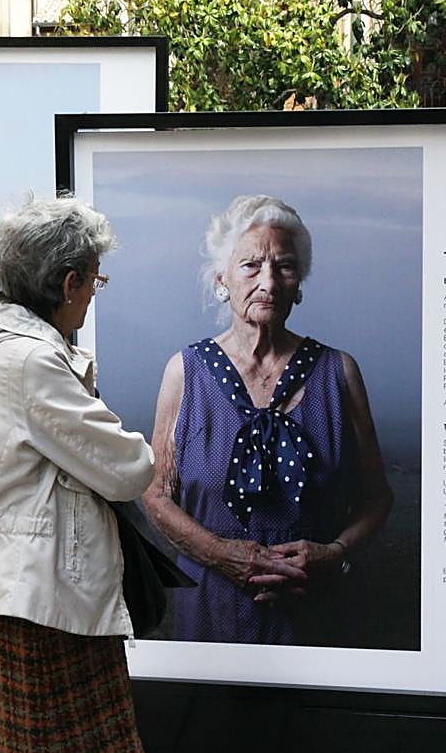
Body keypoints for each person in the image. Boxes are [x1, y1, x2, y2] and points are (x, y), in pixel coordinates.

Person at [0, 196, 155, 753]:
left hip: (19, 587)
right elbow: (127, 466)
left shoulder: (0, 350)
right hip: (41, 595)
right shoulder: (31, 362)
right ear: (67, 282)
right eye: (94, 279)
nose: (94, 294)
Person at [142, 195, 393, 647]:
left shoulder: (339, 372)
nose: (269, 282)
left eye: (285, 267)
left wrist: (335, 555)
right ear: (222, 279)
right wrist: (222, 555)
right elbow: (156, 496)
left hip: (316, 612)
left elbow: (377, 498)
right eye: (251, 266)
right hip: (210, 608)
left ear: (300, 284)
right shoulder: (185, 371)